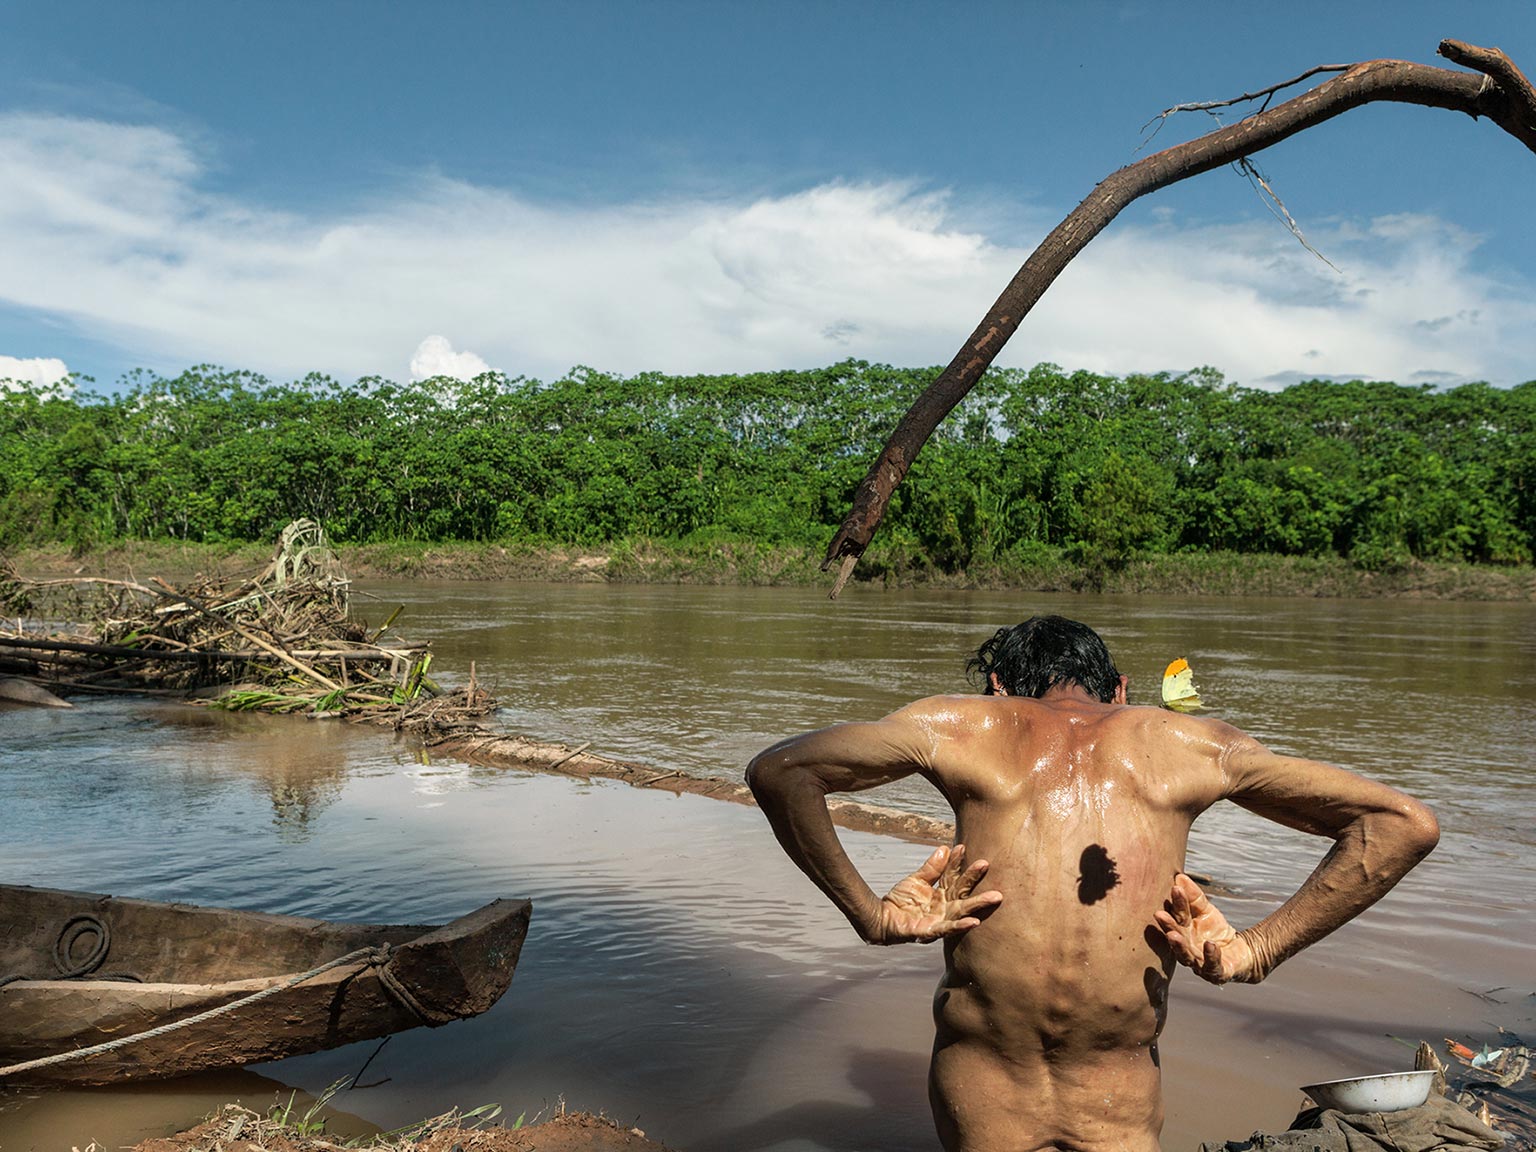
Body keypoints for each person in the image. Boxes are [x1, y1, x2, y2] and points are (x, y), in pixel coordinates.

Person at [746, 615, 1439, 1152]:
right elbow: (1401, 824)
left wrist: (870, 914)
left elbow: (782, 771)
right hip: (1120, 1101)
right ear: (1123, 691)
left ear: (996, 689)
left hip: (983, 1088)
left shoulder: (962, 724)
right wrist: (1257, 949)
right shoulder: (1184, 741)